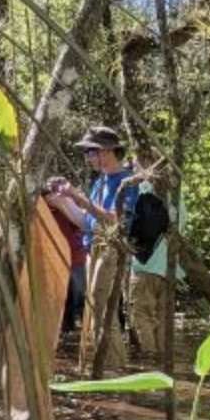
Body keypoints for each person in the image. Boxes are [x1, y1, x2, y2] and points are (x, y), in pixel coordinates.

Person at [67, 125, 136, 375]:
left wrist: (81, 199)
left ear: (107, 151)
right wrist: (64, 199)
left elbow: (117, 220)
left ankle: (114, 368)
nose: (87, 157)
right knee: (93, 307)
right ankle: (100, 366)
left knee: (103, 307)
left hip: (111, 248)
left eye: (90, 151)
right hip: (93, 247)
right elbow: (86, 221)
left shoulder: (127, 182)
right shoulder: (100, 181)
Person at [127, 159, 180, 365]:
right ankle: (162, 362)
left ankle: (149, 362)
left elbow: (142, 223)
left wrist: (142, 178)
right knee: (162, 318)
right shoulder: (177, 198)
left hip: (145, 267)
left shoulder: (146, 193)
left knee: (142, 316)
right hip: (168, 269)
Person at [43, 177, 89, 343]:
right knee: (61, 294)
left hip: (75, 257)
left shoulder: (68, 206)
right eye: (50, 191)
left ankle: (79, 330)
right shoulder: (42, 210)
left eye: (55, 190)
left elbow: (82, 224)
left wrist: (65, 205)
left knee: (79, 294)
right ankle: (64, 329)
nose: (53, 195)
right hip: (54, 257)